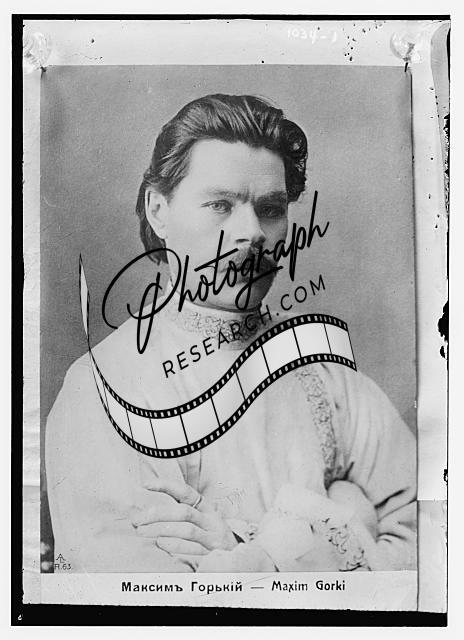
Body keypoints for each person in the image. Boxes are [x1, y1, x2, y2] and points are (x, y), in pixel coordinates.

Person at [45, 94, 416, 573]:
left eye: (270, 208)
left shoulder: (326, 376)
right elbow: (146, 595)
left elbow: (434, 547)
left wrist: (254, 555)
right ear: (158, 210)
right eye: (221, 204)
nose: (253, 233)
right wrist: (342, 526)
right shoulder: (104, 388)